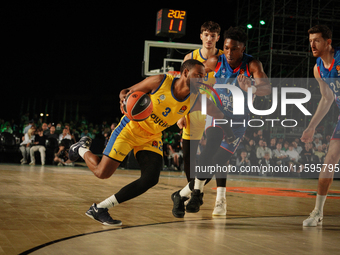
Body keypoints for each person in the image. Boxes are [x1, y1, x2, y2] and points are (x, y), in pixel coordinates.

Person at [68, 59, 235, 226]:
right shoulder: (160, 81)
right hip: (130, 129)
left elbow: (219, 114)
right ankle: (82, 149)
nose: (201, 80)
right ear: (185, 73)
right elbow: (126, 91)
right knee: (102, 172)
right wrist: (123, 99)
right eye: (198, 75)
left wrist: (229, 132)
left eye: (203, 77)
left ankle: (100, 208)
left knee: (150, 178)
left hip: (152, 137)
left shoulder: (197, 100)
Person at [172, 27, 271, 217]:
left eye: (234, 49)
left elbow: (267, 89)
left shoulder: (252, 64)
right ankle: (197, 194)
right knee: (209, 149)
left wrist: (251, 87)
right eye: (226, 48)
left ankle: (181, 194)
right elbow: (193, 74)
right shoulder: (216, 61)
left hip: (239, 120)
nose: (229, 52)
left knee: (217, 161)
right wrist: (179, 82)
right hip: (217, 114)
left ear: (243, 49)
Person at [176, 21, 224, 208]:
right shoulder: (190, 57)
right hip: (194, 108)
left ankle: (197, 191)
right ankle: (193, 191)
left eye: (213, 35)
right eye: (206, 34)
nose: (209, 38)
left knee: (213, 156)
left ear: (218, 38)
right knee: (189, 155)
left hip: (214, 109)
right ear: (201, 36)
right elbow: (183, 85)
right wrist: (180, 113)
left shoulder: (223, 57)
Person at [301, 25, 340, 227]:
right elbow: (326, 98)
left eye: (317, 40)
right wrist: (312, 126)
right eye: (310, 41)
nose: (313, 45)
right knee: (329, 160)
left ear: (328, 42)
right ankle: (317, 212)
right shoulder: (318, 68)